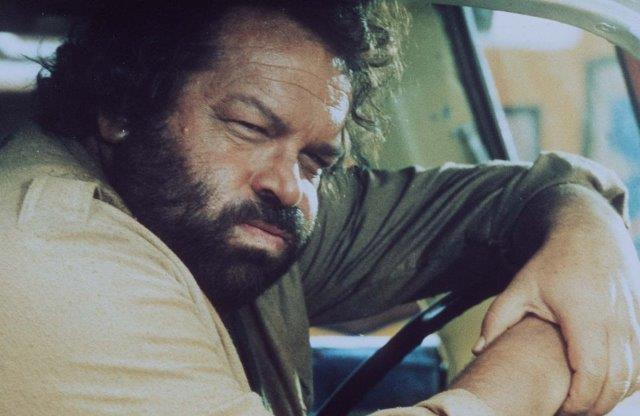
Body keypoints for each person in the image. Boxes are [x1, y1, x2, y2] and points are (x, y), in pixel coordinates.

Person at [0, 1, 638, 415]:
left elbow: (515, 198)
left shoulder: (224, 220)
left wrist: (585, 232)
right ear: (121, 108)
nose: (288, 185)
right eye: (250, 127)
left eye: (315, 161)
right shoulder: (51, 257)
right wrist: (517, 381)